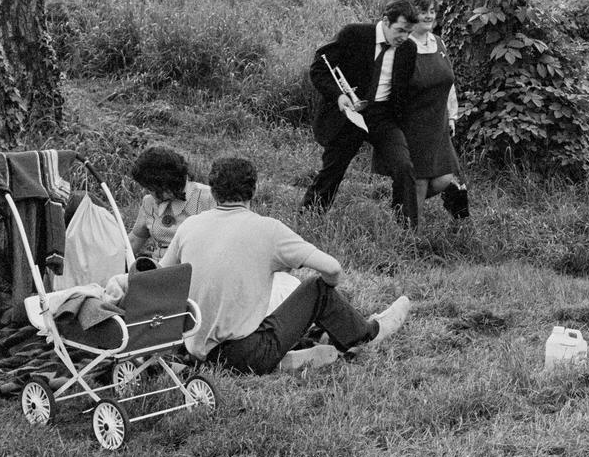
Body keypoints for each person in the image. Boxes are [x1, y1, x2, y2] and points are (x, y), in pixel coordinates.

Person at [160, 157, 410, 374]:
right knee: (317, 288)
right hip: (249, 353)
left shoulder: (189, 226)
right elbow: (332, 269)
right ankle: (368, 333)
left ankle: (308, 345)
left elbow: (161, 278)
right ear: (254, 191)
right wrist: (329, 293)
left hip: (197, 348)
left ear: (213, 192)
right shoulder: (268, 229)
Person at [301, 0, 421, 227]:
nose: (404, 37)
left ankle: (407, 232)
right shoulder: (354, 34)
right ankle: (308, 221)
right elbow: (319, 68)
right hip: (349, 115)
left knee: (404, 166)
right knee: (332, 171)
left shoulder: (408, 49)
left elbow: (403, 90)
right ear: (385, 21)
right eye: (400, 30)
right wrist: (338, 95)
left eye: (409, 32)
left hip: (383, 117)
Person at [376, 0, 468, 219]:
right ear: (410, 16)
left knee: (443, 179)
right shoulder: (402, 46)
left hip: (437, 122)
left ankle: (402, 204)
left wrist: (453, 116)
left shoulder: (439, 43)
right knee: (418, 181)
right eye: (422, 11)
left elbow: (449, 83)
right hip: (411, 123)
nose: (428, 16)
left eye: (432, 11)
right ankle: (409, 237)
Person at [128, 146, 215, 260]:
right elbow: (135, 239)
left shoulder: (208, 197)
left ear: (170, 183)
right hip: (159, 268)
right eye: (148, 188)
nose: (151, 193)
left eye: (154, 188)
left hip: (194, 267)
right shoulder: (148, 202)